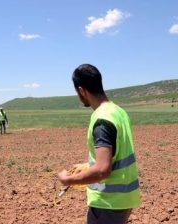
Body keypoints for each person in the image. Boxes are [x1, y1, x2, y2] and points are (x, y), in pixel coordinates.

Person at [57, 64, 141, 224]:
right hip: (124, 200)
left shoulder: (102, 119)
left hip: (108, 203)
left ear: (81, 91)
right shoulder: (117, 111)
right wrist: (88, 165)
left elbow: (102, 170)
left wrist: (68, 180)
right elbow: (115, 155)